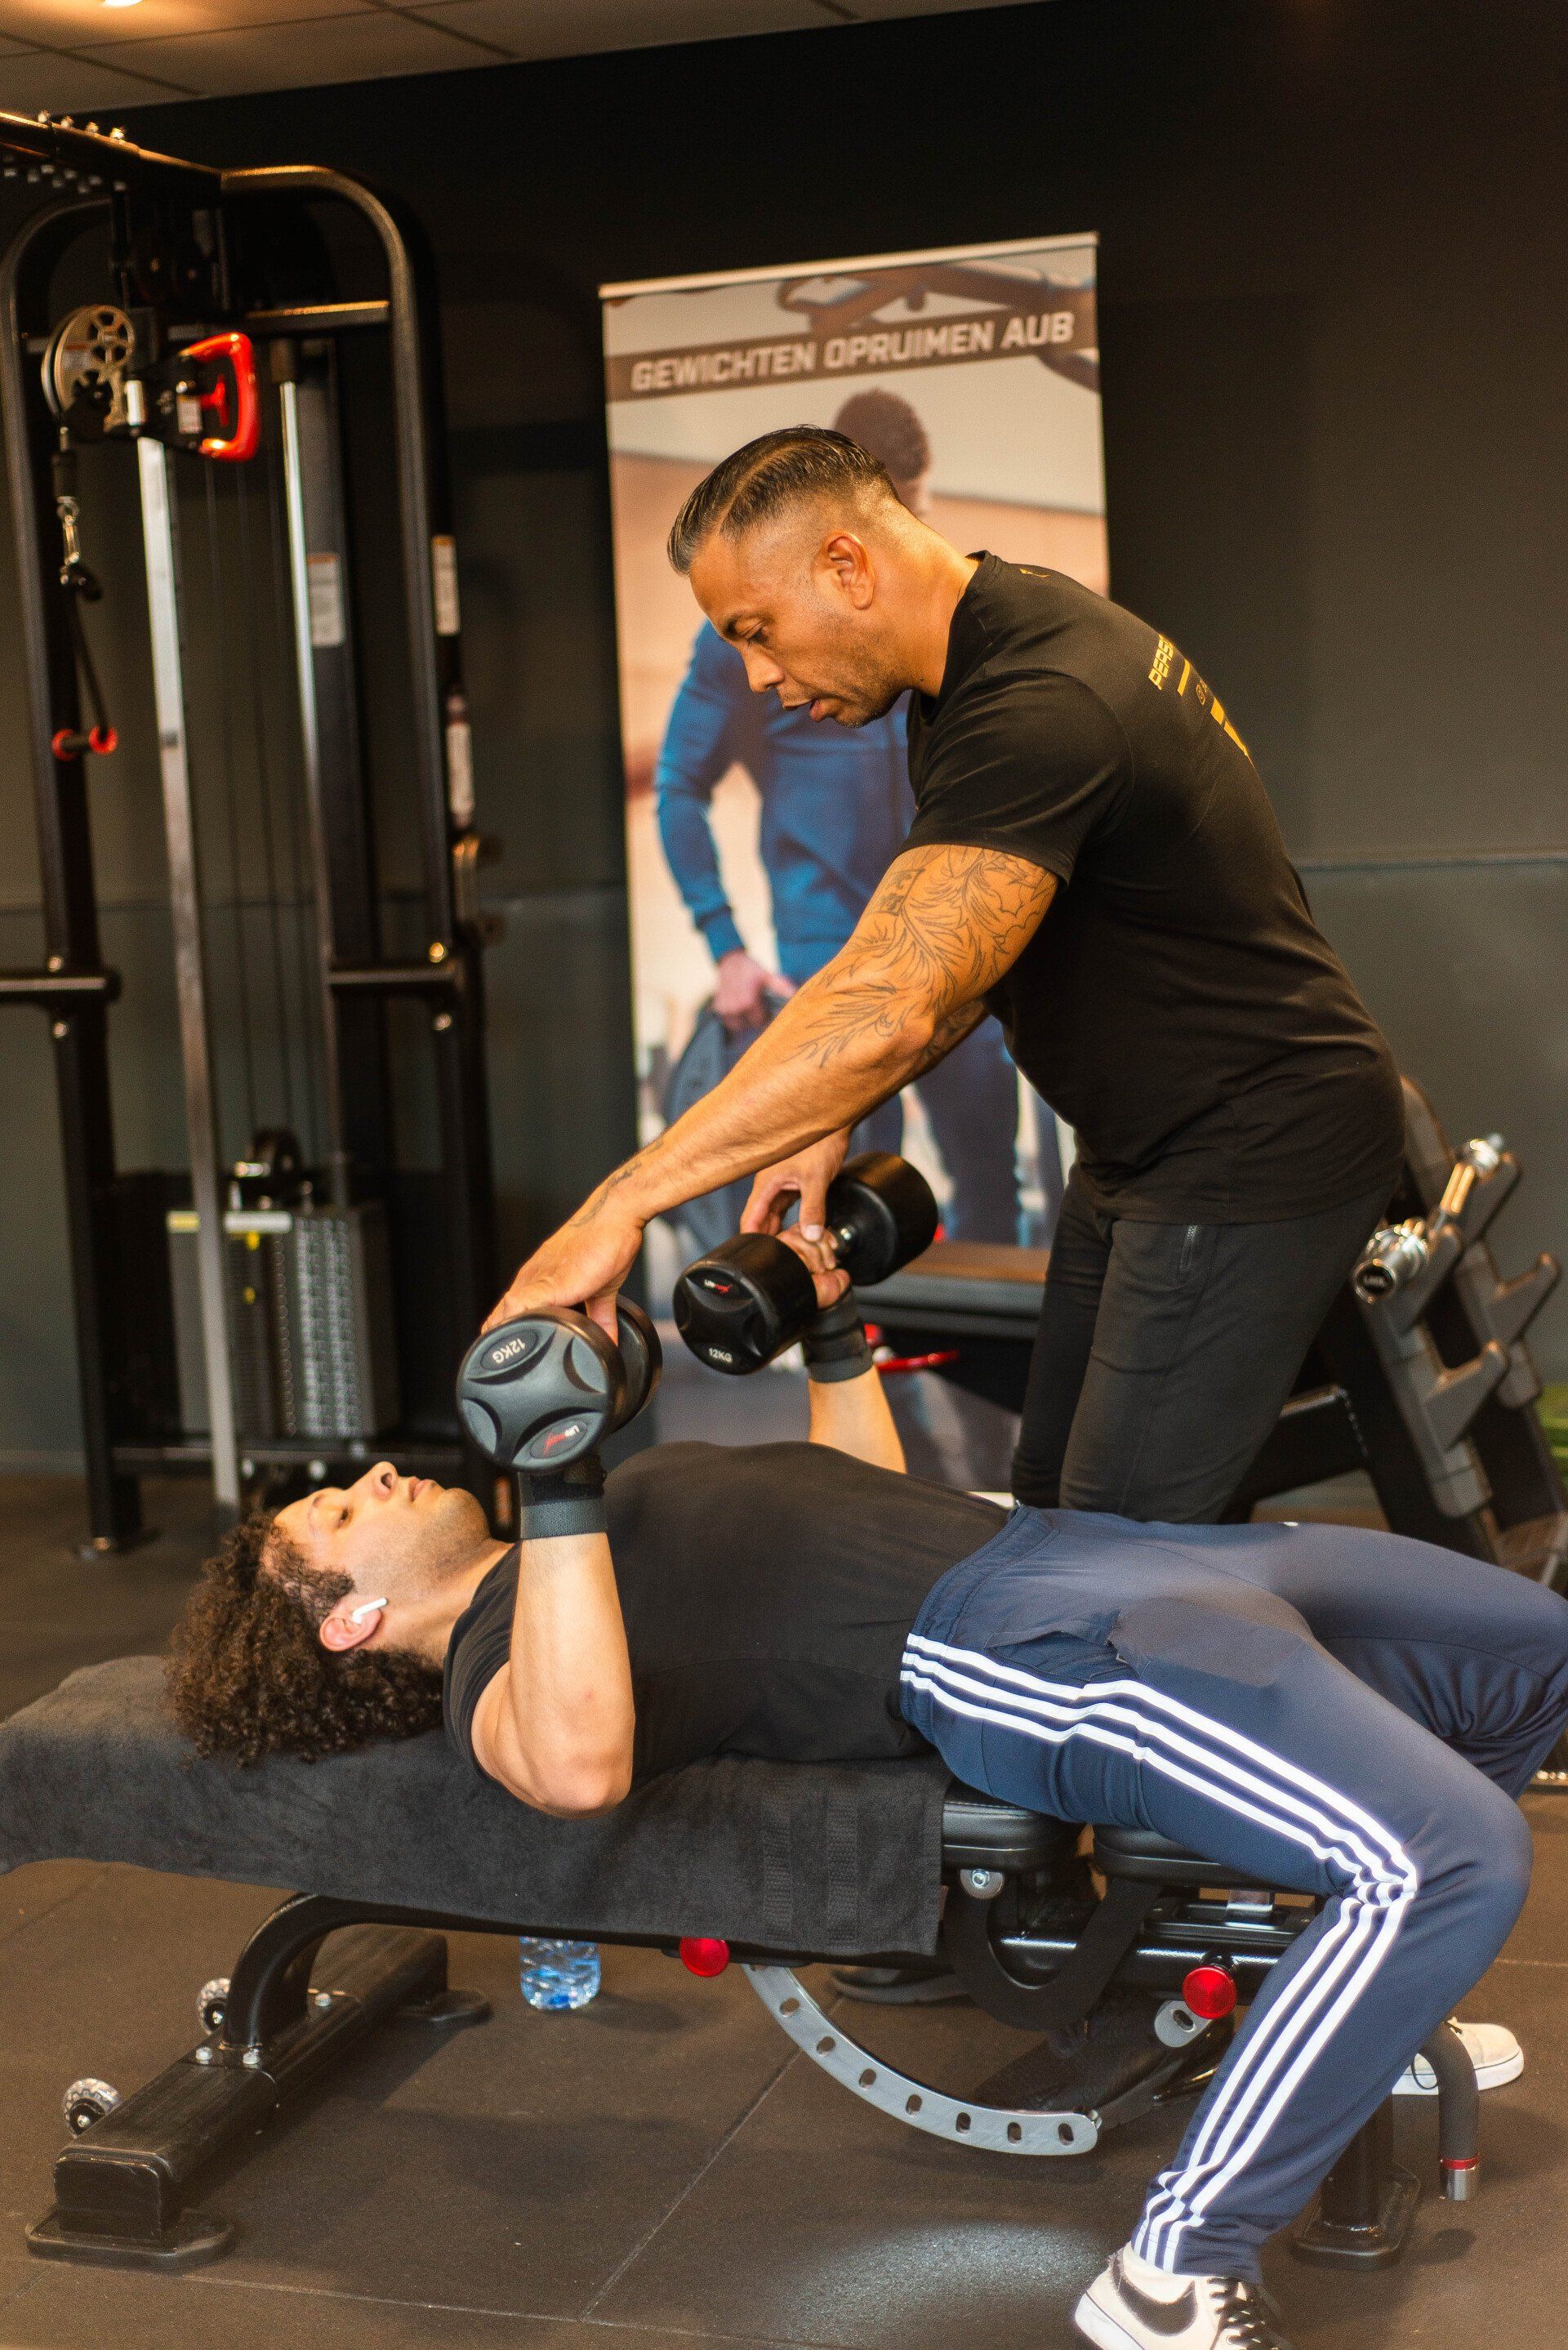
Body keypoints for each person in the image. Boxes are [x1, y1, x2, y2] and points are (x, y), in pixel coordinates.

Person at [167, 1254, 1567, 2350]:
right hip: (1023, 1644)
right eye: (346, 1514)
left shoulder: (580, 1526)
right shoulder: (501, 1656)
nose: (381, 1476)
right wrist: (553, 1479)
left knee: (1534, 1663)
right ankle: (1174, 2271)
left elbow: (860, 1493)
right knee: (1444, 1861)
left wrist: (833, 1336)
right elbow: (576, 1766)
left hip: (1087, 1549)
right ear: (349, 1624)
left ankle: (1346, 2021)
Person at [490, 426, 1405, 1526]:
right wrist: (827, 1111)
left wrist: (622, 1202)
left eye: (758, 631)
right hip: (1144, 1148)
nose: (759, 678)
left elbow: (891, 997)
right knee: (1050, 1506)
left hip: (1251, 1143)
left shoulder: (1044, 696)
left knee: (1117, 1553)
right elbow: (965, 964)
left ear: (846, 566)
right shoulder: (972, 664)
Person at [655, 389, 1036, 1246]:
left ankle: (991, 1378)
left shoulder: (942, 621)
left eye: (921, 514)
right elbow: (680, 783)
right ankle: (877, 1377)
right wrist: (724, 946)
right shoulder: (745, 643)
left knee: (989, 1176)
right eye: (901, 516)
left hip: (949, 934)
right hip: (825, 951)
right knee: (840, 1200)